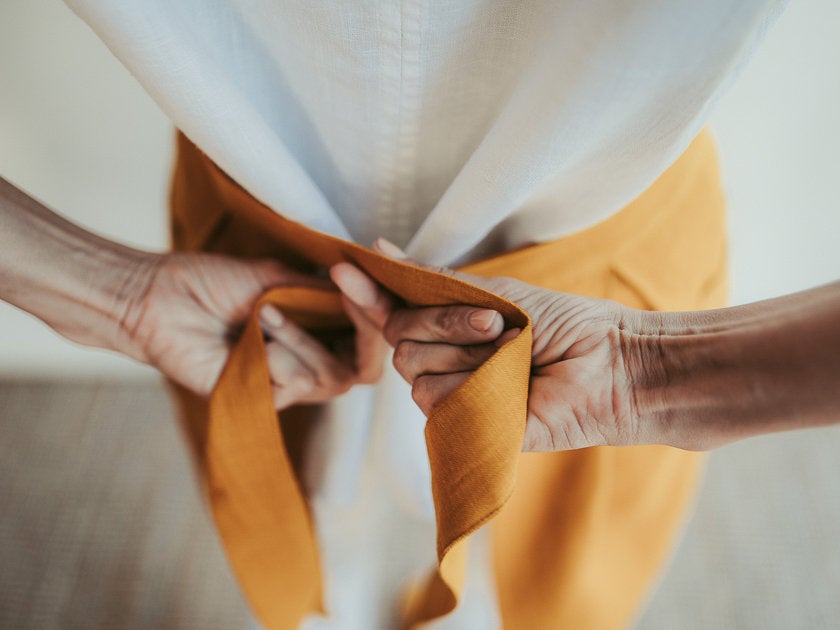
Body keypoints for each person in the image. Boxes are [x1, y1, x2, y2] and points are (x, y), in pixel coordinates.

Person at [0, 1, 808, 628]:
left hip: (595, 282)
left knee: (547, 569)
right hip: (250, 280)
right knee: (310, 521)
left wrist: (649, 373)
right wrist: (112, 294)